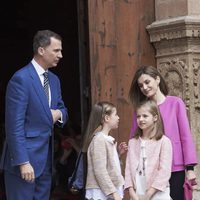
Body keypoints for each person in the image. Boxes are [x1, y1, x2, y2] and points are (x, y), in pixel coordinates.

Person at [0, 30, 68, 200]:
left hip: (46, 160)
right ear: (41, 50)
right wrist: (23, 162)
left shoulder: (54, 80)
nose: (60, 55)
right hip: (24, 162)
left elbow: (63, 110)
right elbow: (13, 124)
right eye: (56, 50)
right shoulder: (21, 79)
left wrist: (58, 114)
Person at [129, 65, 198, 200]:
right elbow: (135, 138)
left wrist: (190, 169)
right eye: (141, 85)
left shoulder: (176, 103)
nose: (144, 87)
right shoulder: (141, 109)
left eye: (147, 82)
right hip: (150, 169)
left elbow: (186, 136)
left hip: (175, 167)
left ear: (158, 79)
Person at [125, 100, 172, 200]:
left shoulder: (164, 141)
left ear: (155, 117)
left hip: (158, 194)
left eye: (145, 116)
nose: (141, 119)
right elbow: (128, 169)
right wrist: (131, 192)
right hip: (137, 194)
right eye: (138, 116)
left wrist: (149, 194)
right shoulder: (132, 142)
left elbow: (165, 171)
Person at [82, 101, 127, 200]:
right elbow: (100, 170)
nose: (118, 117)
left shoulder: (105, 139)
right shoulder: (99, 140)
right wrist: (114, 193)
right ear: (107, 118)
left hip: (106, 192)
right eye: (115, 114)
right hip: (102, 193)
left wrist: (118, 154)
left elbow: (106, 165)